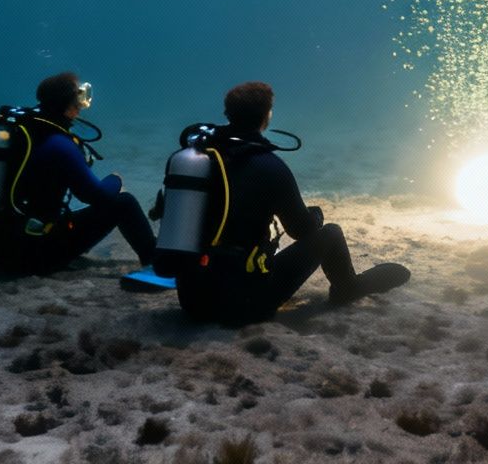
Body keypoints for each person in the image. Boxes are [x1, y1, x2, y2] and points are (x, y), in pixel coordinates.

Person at [169, 82, 409, 325]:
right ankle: (348, 287)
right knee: (331, 234)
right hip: (243, 307)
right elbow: (300, 230)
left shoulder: (196, 161)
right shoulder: (271, 167)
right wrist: (315, 216)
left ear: (226, 113)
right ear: (267, 116)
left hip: (191, 302)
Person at [0, 72, 163, 280]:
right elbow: (96, 195)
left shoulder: (29, 131)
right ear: (67, 102)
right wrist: (116, 179)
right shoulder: (59, 144)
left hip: (6, 251)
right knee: (124, 202)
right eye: (80, 97)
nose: (82, 104)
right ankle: (157, 262)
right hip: (33, 256)